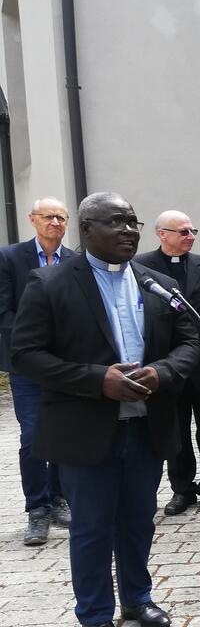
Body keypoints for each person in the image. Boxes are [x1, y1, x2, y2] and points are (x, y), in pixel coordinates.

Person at [11, 192, 200, 627]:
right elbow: (26, 356)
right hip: (86, 431)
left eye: (133, 222)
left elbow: (191, 339)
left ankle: (137, 599)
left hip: (145, 427)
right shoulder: (50, 284)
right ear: (87, 229)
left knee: (138, 521)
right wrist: (98, 381)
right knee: (92, 527)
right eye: (116, 222)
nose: (129, 230)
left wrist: (164, 372)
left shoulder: (156, 284)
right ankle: (95, 616)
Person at [136, 211, 200, 515]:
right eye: (182, 232)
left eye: (193, 230)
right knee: (176, 429)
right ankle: (182, 488)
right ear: (161, 234)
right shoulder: (142, 267)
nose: (190, 236)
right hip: (167, 366)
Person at [0, 197, 76, 545]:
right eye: (48, 217)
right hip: (26, 363)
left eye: (61, 217)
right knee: (33, 435)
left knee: (61, 431)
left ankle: (59, 498)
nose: (56, 223)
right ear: (33, 220)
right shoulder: (10, 258)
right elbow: (4, 311)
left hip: (63, 365)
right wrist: (34, 343)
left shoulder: (74, 261)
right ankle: (37, 509)